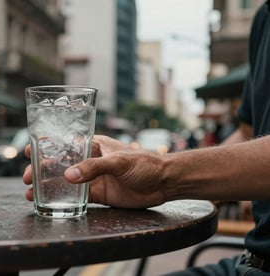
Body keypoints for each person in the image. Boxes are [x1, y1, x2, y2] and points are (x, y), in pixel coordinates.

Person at [23, 2, 270, 275]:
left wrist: (164, 174)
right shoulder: (263, 18)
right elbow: (248, 133)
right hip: (249, 260)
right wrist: (169, 188)